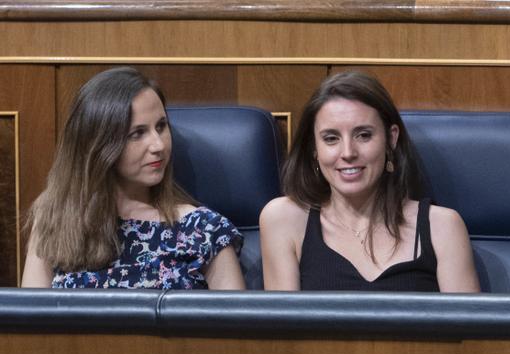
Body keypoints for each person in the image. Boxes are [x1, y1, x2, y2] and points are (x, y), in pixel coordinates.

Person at [21, 67, 245, 289]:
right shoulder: (55, 217)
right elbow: (33, 319)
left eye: (161, 126)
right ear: (99, 146)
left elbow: (236, 322)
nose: (158, 145)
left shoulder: (205, 229)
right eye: (137, 133)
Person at [260, 71, 479, 292]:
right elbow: (283, 326)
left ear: (391, 138)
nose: (348, 152)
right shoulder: (284, 220)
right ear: (314, 148)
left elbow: (467, 326)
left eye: (363, 135)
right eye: (331, 138)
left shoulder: (442, 227)